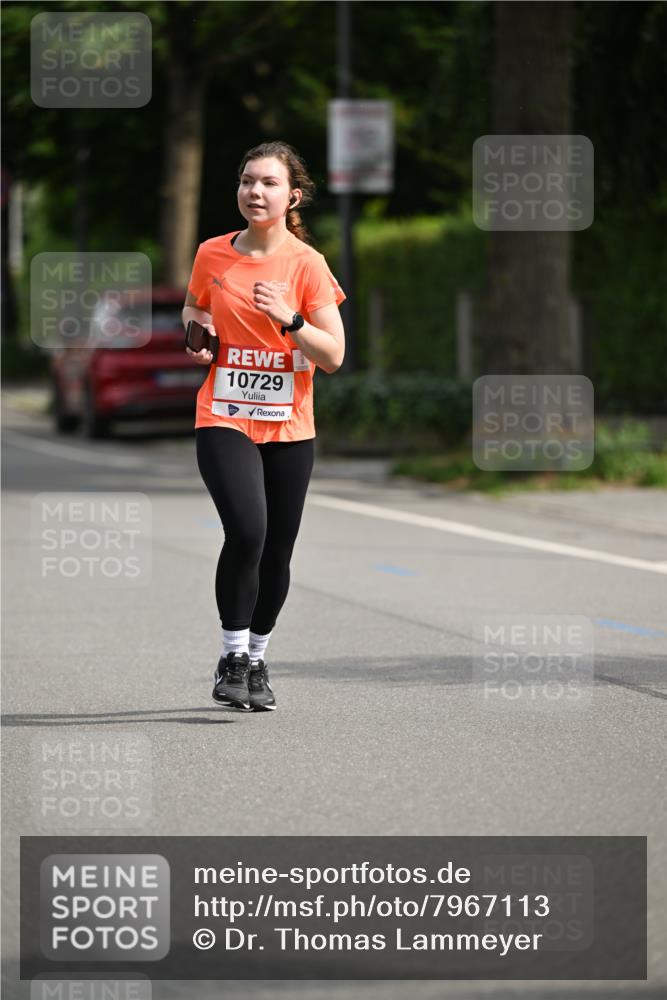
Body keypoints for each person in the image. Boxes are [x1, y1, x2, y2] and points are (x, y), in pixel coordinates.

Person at [183, 140, 346, 713]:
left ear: (292, 196)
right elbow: (195, 307)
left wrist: (290, 319)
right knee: (248, 530)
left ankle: (256, 659)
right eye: (247, 180)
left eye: (269, 183)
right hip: (224, 414)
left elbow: (333, 355)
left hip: (289, 425)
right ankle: (231, 657)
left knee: (277, 550)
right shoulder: (212, 253)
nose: (255, 191)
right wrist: (197, 335)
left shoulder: (307, 264)